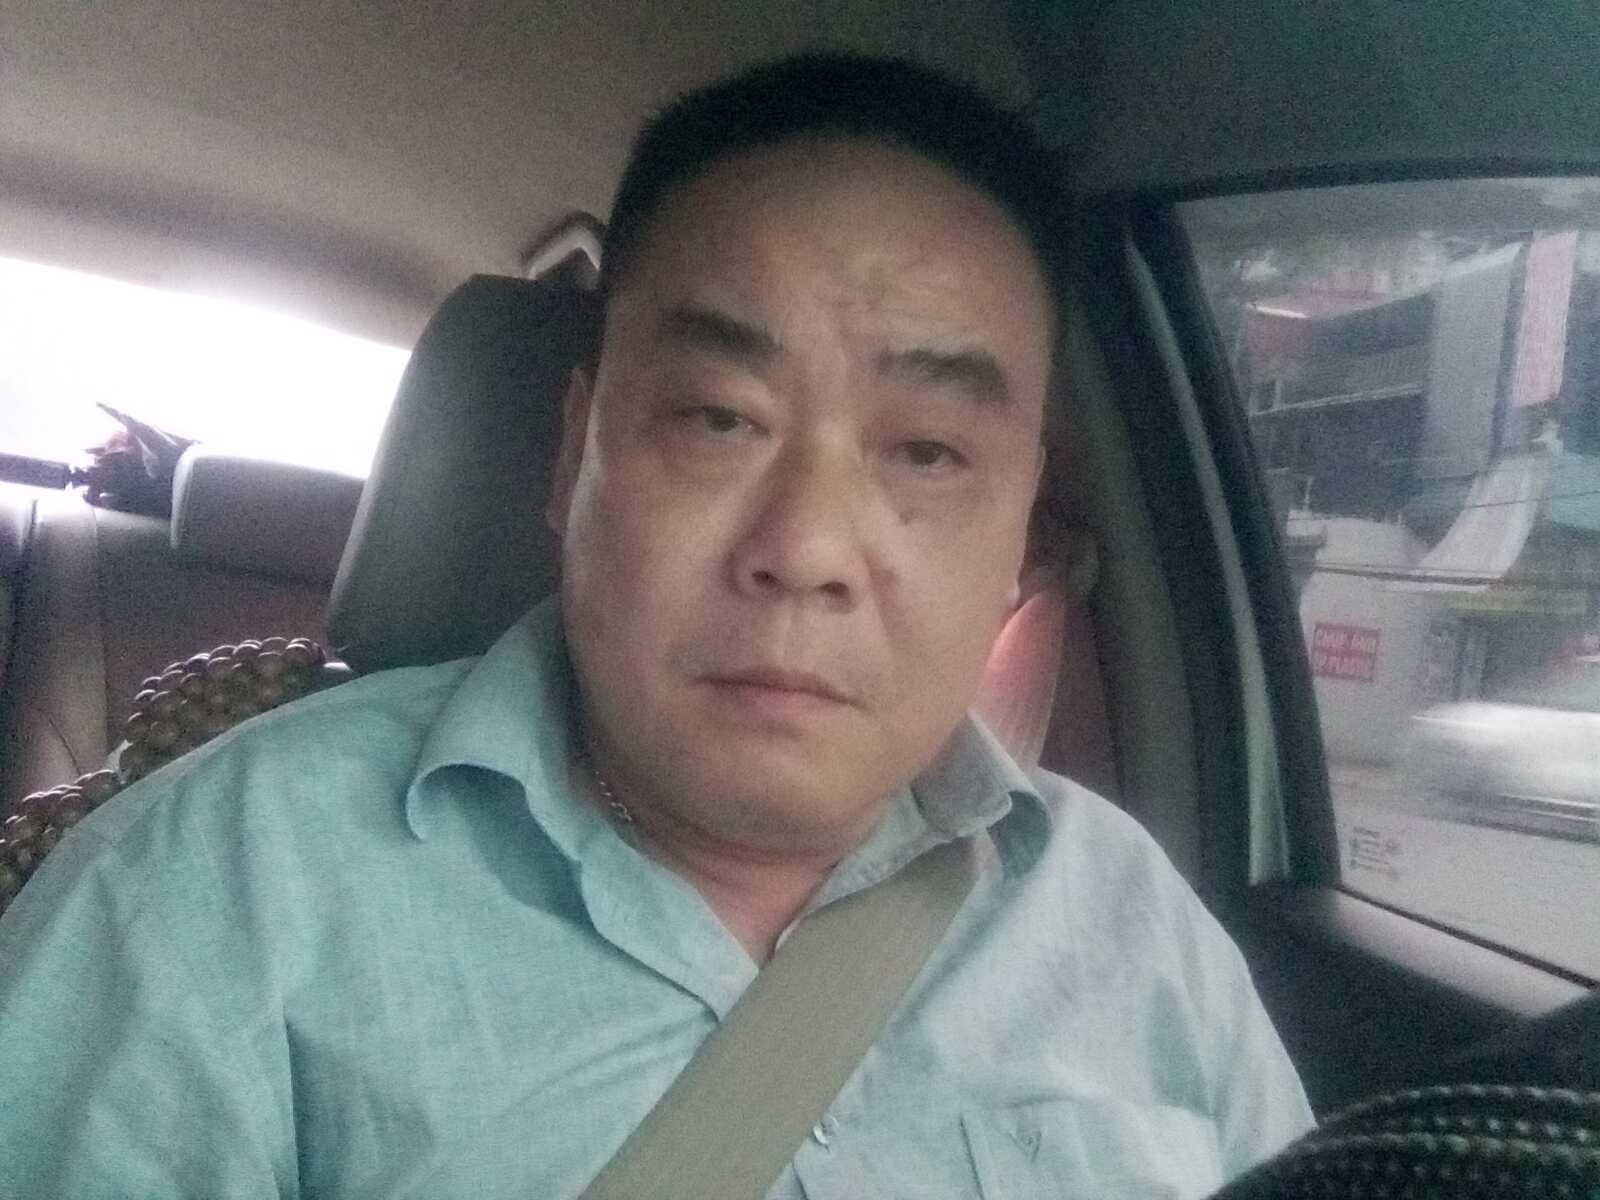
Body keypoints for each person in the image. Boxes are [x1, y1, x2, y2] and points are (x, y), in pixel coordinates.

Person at [0, 54, 1314, 1198]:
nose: (806, 550)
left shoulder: (1136, 934)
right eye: (718, 420)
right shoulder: (207, 901)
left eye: (926, 452)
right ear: (574, 458)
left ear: (1020, 528)